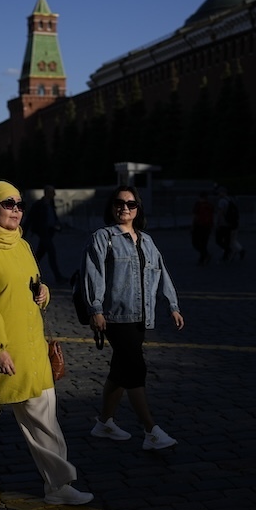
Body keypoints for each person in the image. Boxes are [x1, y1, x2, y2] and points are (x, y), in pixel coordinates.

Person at [0, 179, 93, 505]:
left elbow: (34, 285)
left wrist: (44, 292)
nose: (16, 210)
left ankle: (58, 487)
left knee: (45, 422)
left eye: (20, 204)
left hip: (32, 349)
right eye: (8, 203)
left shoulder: (22, 244)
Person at [79, 185, 184, 450]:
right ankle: (151, 431)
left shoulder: (147, 241)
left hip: (141, 316)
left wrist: (172, 305)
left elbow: (161, 272)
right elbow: (92, 275)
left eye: (131, 204)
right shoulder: (104, 237)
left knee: (121, 369)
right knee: (135, 369)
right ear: (111, 206)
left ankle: (104, 422)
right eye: (119, 203)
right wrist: (96, 309)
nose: (124, 208)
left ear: (138, 209)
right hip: (115, 315)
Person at [22, 185, 67, 282]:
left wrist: (57, 225)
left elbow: (53, 217)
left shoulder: (51, 203)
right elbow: (29, 219)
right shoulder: (38, 204)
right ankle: (58, 277)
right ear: (47, 193)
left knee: (39, 255)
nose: (54, 194)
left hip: (49, 232)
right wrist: (23, 233)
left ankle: (27, 271)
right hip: (42, 232)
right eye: (52, 192)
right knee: (51, 252)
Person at [214, 186, 245, 262]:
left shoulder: (221, 201)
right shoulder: (231, 199)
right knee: (229, 240)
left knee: (218, 240)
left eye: (219, 192)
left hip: (223, 223)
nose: (218, 194)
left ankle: (229, 252)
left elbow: (220, 213)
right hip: (231, 223)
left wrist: (217, 223)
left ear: (223, 193)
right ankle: (228, 254)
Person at [190, 191, 214, 265]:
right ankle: (203, 257)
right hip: (207, 226)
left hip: (198, 225)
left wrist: (192, 226)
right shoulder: (209, 205)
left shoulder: (198, 204)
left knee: (196, 242)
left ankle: (205, 255)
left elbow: (194, 215)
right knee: (204, 242)